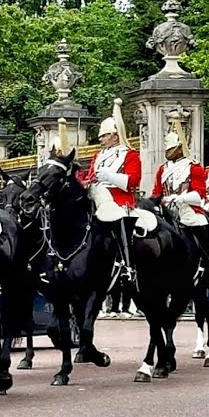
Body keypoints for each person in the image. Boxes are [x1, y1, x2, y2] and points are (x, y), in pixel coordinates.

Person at [80, 98, 141, 285]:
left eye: (105, 135)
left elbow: (132, 181)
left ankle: (128, 265)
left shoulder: (130, 154)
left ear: (115, 135)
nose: (100, 139)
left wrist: (109, 176)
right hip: (97, 198)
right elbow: (90, 177)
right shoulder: (98, 156)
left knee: (119, 220)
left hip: (119, 201)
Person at [151, 122, 209, 274]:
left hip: (187, 208)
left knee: (199, 222)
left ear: (180, 149)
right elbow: (157, 191)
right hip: (166, 209)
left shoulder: (194, 167)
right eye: (166, 149)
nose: (167, 153)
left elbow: (199, 195)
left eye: (171, 149)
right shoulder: (163, 169)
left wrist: (180, 198)